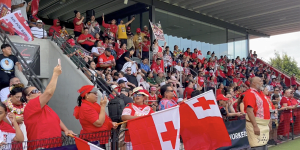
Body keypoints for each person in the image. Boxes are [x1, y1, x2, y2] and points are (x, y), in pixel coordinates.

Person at [23, 64, 75, 146]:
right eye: (35, 91)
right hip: (41, 146)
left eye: (38, 90)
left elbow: (57, 119)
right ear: (28, 97)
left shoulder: (44, 106)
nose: (39, 92)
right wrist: (55, 74)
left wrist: (66, 129)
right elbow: (48, 93)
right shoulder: (30, 106)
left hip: (55, 145)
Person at [73, 85, 117, 149]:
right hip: (93, 141)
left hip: (98, 140)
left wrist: (110, 123)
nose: (97, 95)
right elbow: (99, 123)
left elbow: (102, 118)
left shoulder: (93, 105)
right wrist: (102, 106)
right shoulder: (86, 107)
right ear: (86, 95)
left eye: (96, 93)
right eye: (94, 93)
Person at [243, 77, 270, 149]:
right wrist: (255, 126)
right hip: (256, 124)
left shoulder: (260, 93)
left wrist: (268, 122)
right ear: (254, 83)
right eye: (260, 81)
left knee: (263, 146)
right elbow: (249, 111)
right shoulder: (251, 94)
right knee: (257, 146)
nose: (262, 82)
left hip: (263, 125)